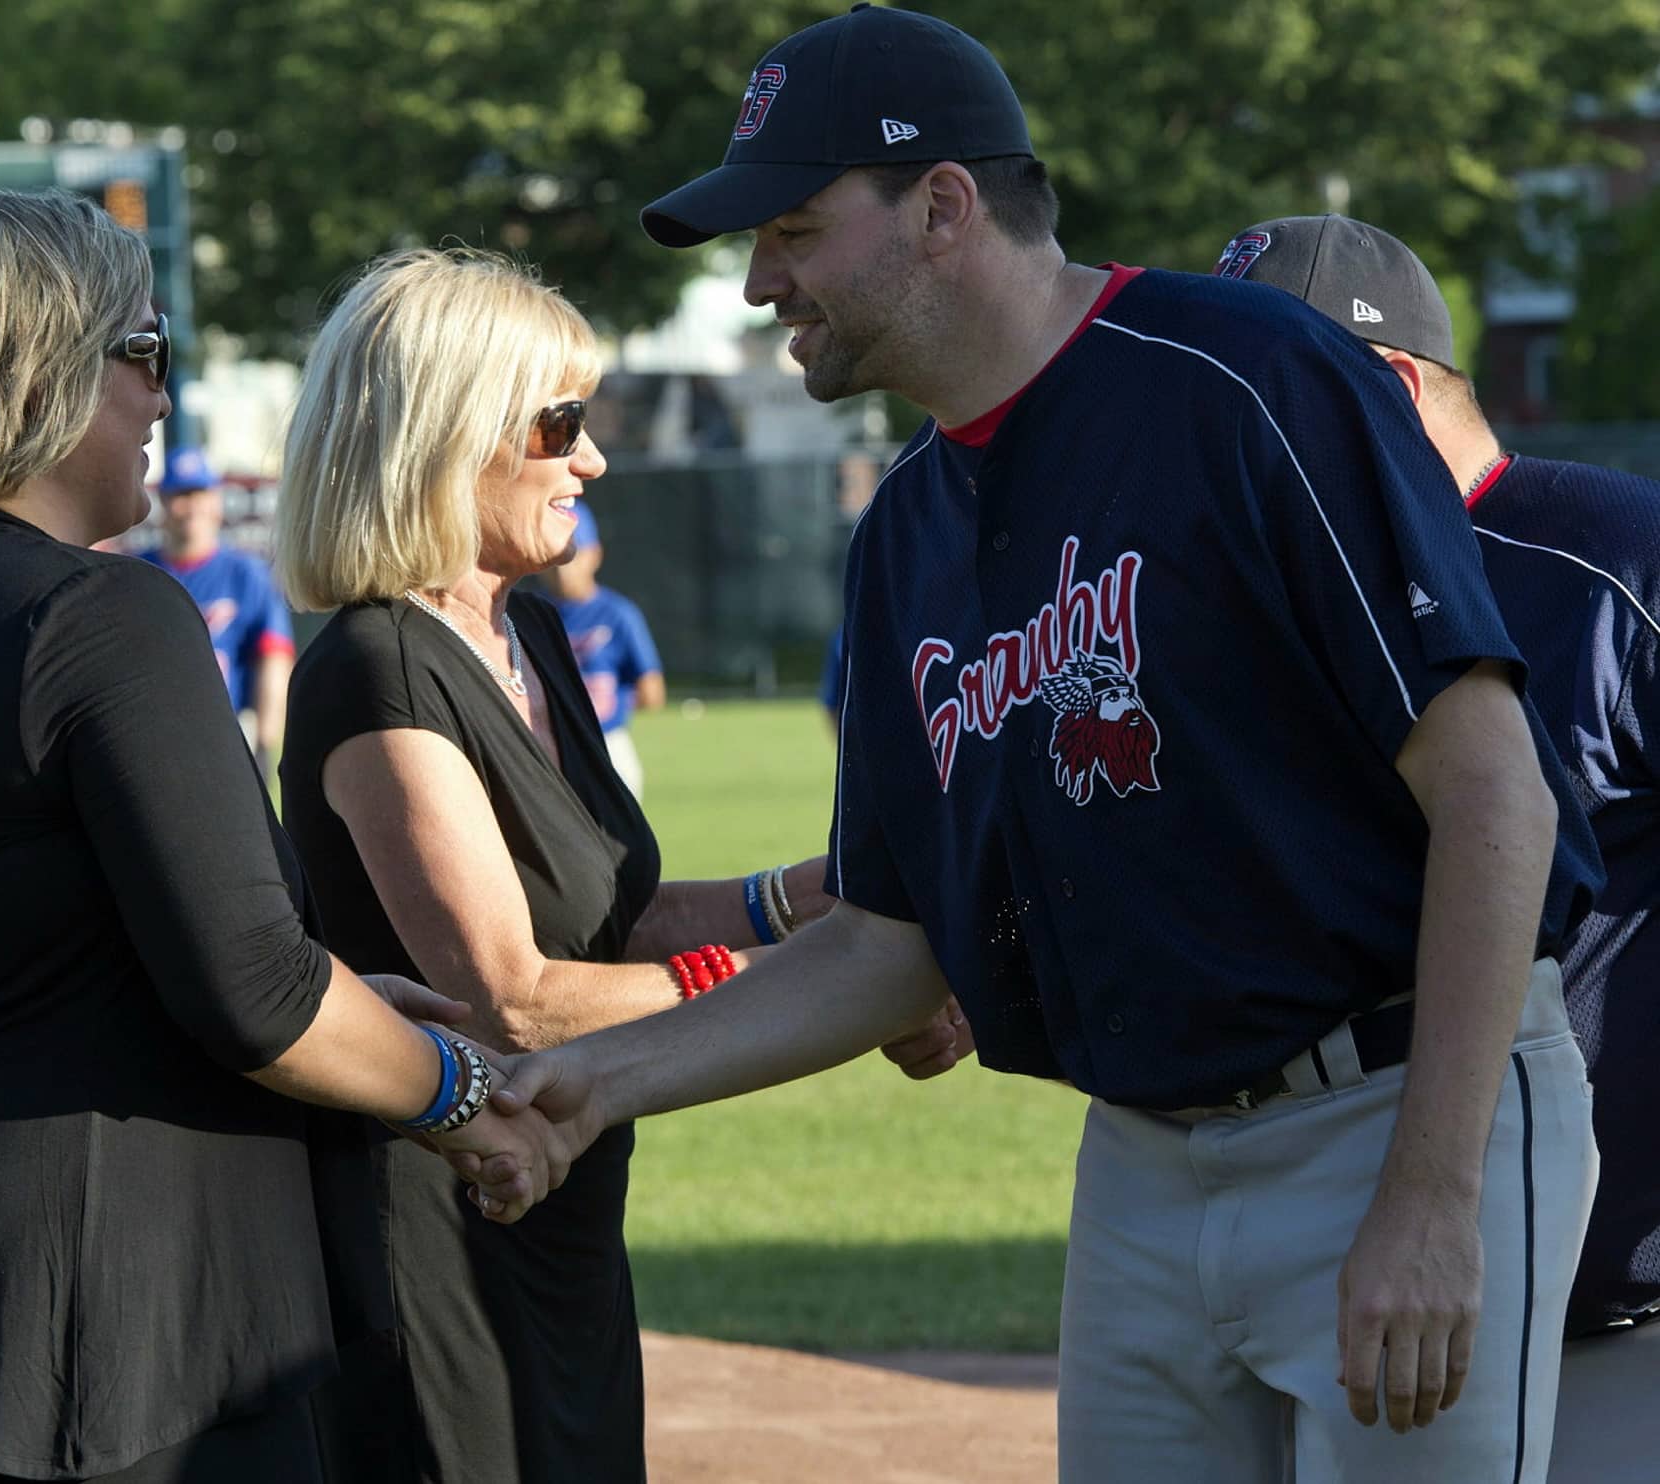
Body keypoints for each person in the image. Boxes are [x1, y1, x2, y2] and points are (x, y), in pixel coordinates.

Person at [465, 9, 1608, 1483]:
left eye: (797, 229)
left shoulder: (1244, 378)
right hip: (1140, 1153)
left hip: (1393, 1103)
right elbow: (889, 944)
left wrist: (1433, 1196)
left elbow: (1498, 798)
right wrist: (600, 1085)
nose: (759, 283)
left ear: (943, 207)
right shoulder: (906, 534)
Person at [0, 190, 556, 1484]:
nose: (164, 400)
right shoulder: (102, 618)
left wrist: (340, 999)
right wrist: (463, 1096)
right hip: (126, 1328)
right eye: (147, 355)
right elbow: (257, 993)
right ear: (50, 368)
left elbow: (42, 940)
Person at [273, 246, 833, 1484]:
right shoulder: (379, 665)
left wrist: (809, 897)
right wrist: (812, 977)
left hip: (562, 1195)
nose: (590, 458)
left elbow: (610, 915)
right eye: (561, 421)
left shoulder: (522, 632)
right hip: (441, 1225)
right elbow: (511, 996)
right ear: (447, 429)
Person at [1219, 210, 1660, 1482]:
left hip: (1603, 1325)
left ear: (1394, 387)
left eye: (1274, 393)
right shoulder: (1259, 586)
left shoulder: (1615, 556)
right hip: (1317, 1302)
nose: (1236, 429)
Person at [143, 445, 295, 777]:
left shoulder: (246, 573)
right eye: (181, 495)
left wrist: (265, 743)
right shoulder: (139, 571)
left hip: (228, 731)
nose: (191, 506)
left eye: (199, 493)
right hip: (155, 736)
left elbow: (273, 659)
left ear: (216, 500)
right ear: (165, 504)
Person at [537, 500, 665, 799]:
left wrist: (603, 701)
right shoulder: (529, 614)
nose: (563, 567)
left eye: (573, 553)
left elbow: (652, 692)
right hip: (550, 744)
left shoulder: (617, 613)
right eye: (554, 556)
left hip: (608, 742)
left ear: (595, 555)